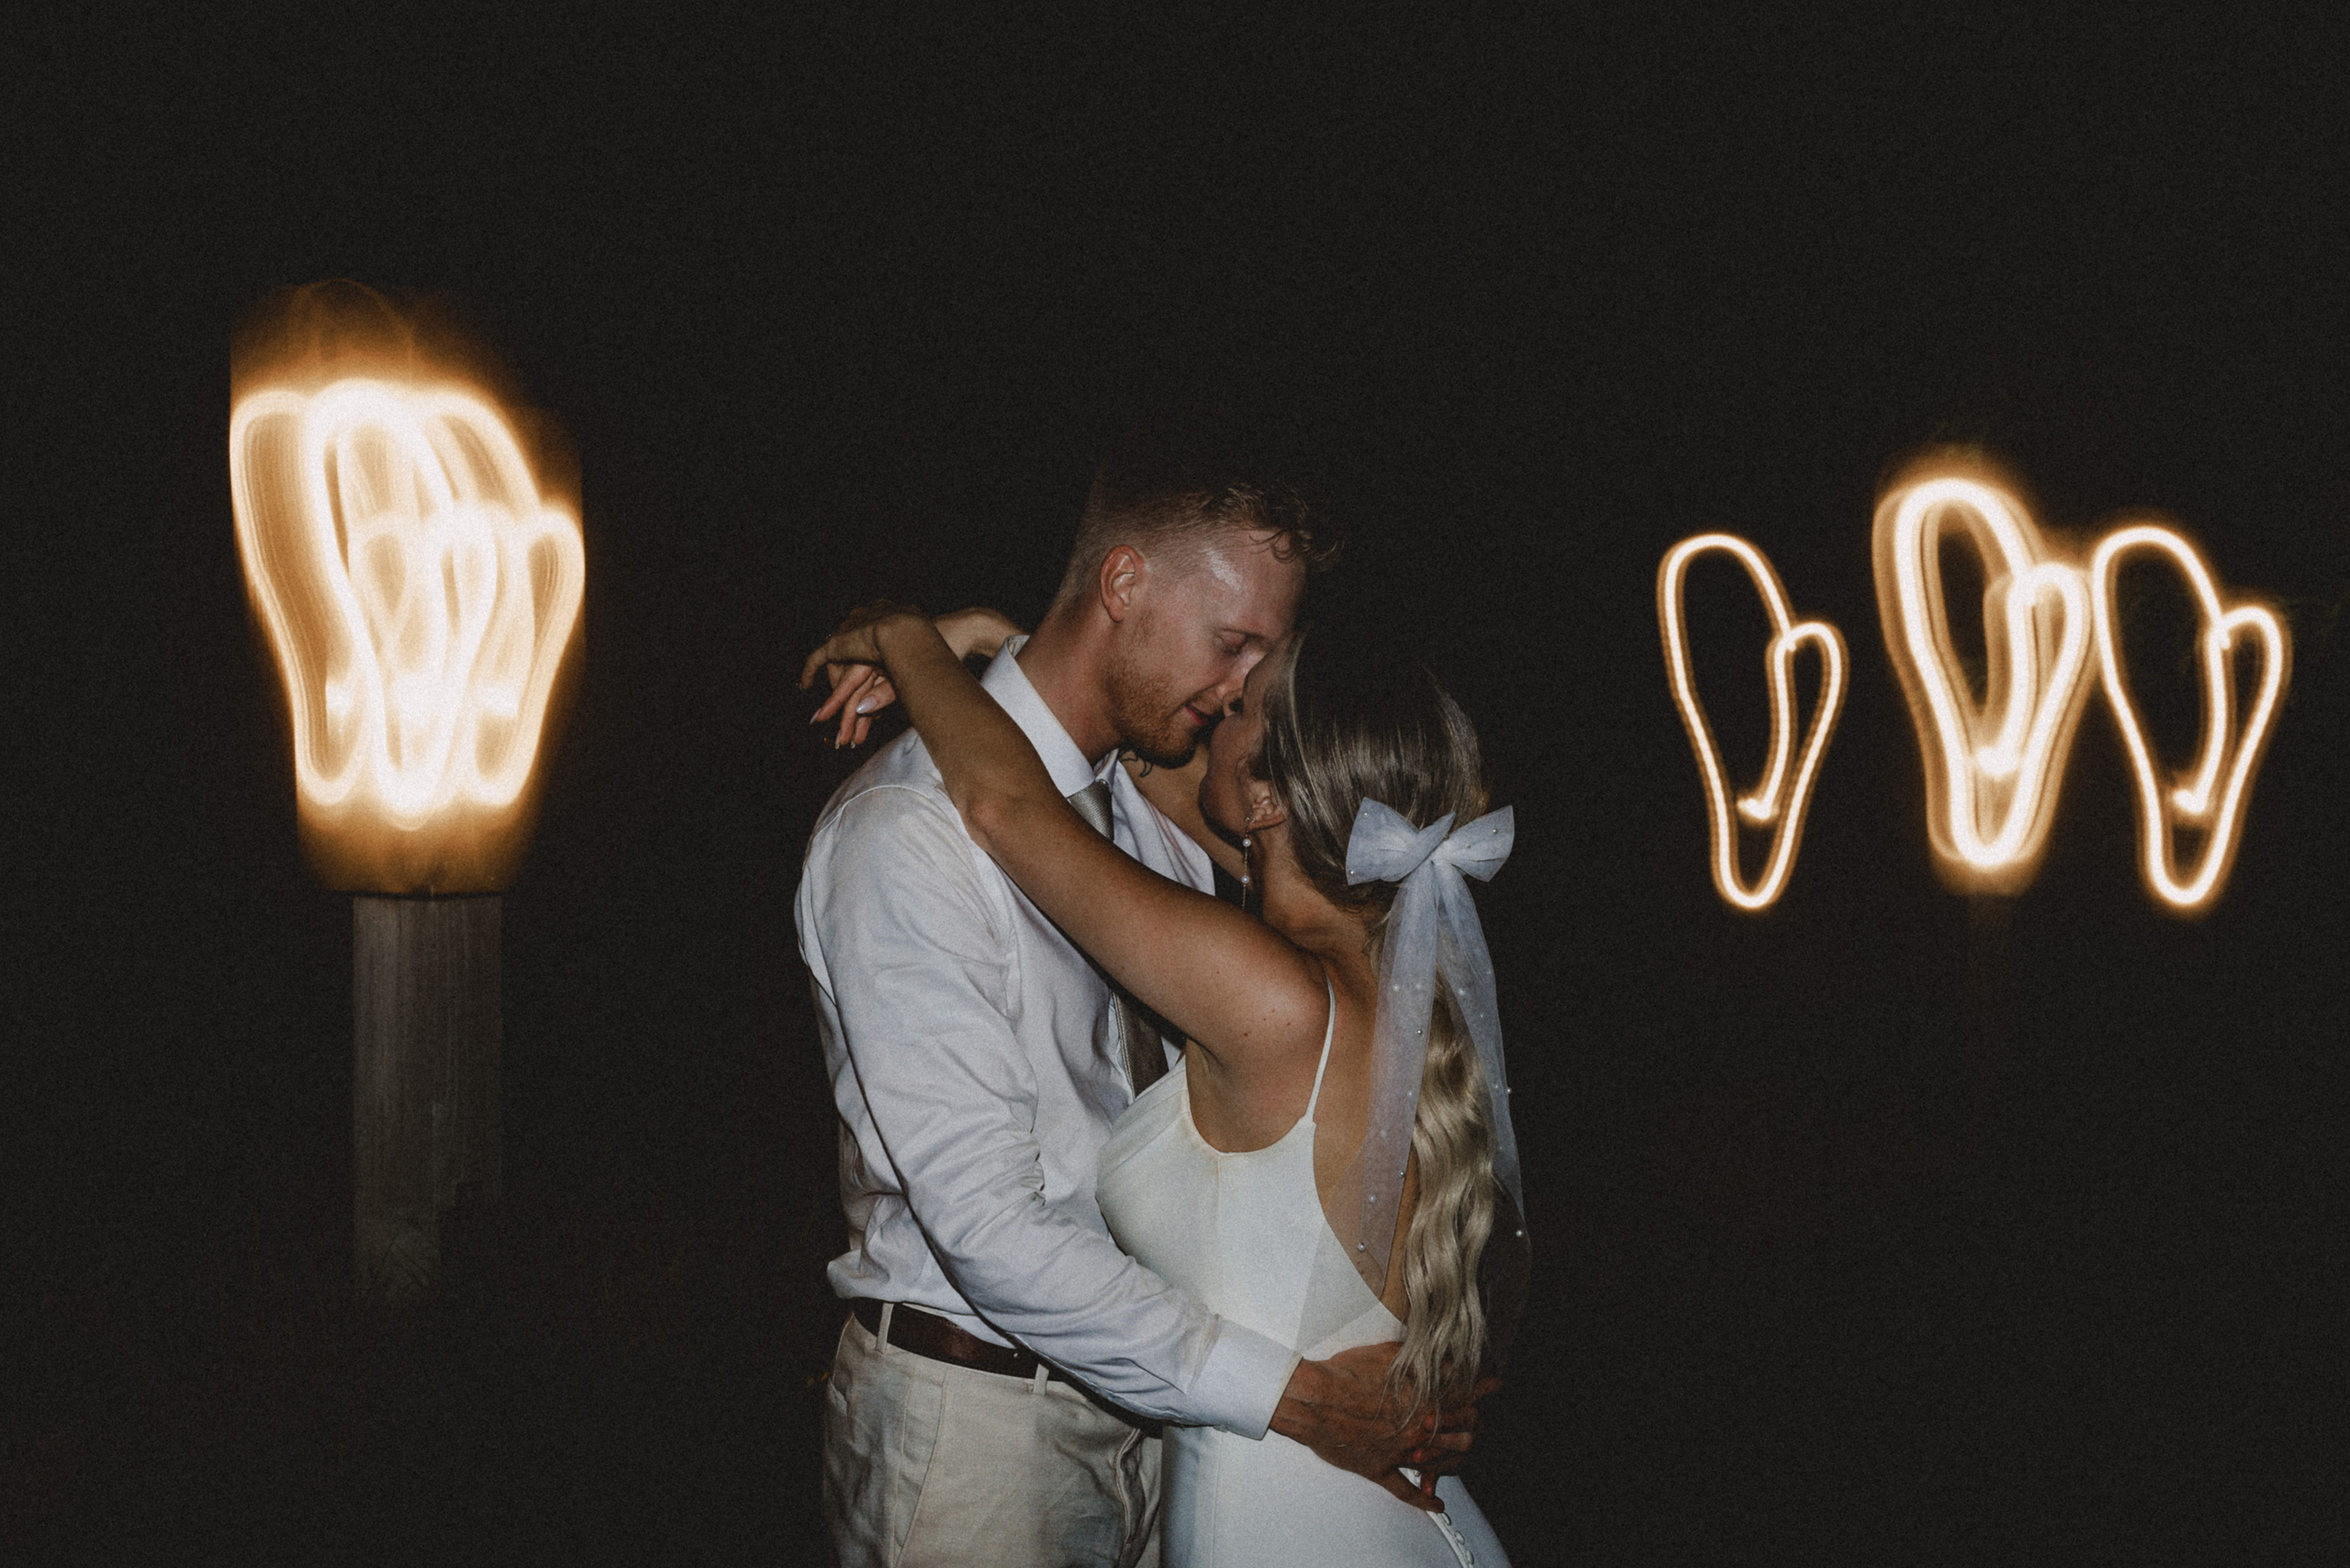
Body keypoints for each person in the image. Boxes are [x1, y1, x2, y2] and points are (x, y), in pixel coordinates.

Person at [794, 426, 1483, 1568]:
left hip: (1165, 1413)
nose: (1235, 695)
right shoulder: (906, 833)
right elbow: (987, 1227)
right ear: (1122, 581)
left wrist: (959, 649)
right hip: (979, 1431)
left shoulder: (1138, 820)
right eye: (1231, 645)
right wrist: (1292, 1394)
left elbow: (1026, 791)